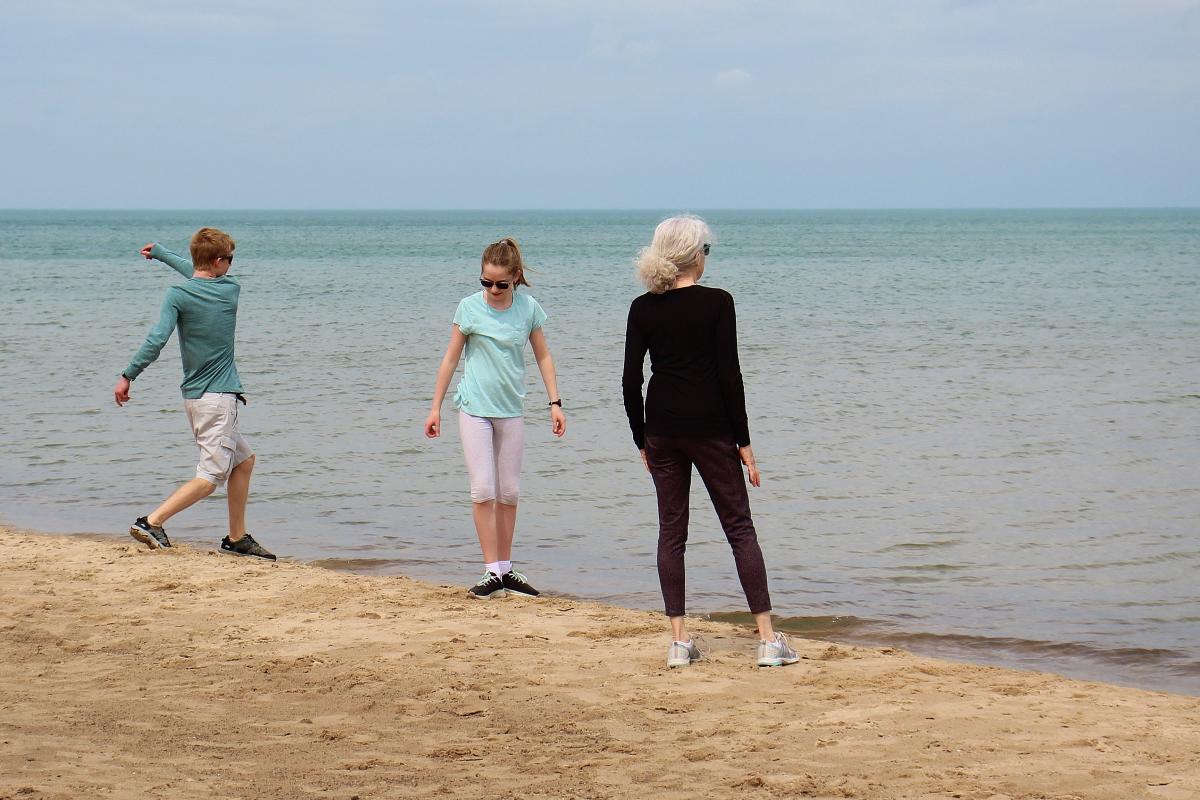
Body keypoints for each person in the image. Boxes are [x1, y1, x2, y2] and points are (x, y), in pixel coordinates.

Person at [622, 215, 797, 668]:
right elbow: (729, 376)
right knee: (739, 528)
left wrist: (641, 437)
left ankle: (679, 641)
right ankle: (767, 640)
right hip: (712, 429)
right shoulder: (719, 302)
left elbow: (629, 381)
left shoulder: (642, 307)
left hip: (662, 429)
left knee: (671, 531)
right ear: (695, 255)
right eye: (707, 250)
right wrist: (744, 442)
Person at [113, 228, 276, 561]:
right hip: (218, 400)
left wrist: (129, 375)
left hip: (197, 397)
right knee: (211, 477)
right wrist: (164, 254)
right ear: (219, 262)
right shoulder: (230, 289)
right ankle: (152, 522)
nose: (231, 266)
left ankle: (236, 537)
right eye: (229, 260)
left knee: (244, 462)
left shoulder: (178, 295)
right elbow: (199, 273)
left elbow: (157, 339)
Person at [425, 237, 566, 599]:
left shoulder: (528, 308)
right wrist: (435, 407)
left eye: (501, 283)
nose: (493, 289)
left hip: (511, 410)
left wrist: (555, 403)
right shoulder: (469, 308)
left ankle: (506, 569)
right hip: (473, 408)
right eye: (486, 282)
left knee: (509, 491)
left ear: (516, 278)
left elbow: (543, 357)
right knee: (484, 489)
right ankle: (491, 570)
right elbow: (450, 359)